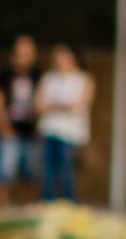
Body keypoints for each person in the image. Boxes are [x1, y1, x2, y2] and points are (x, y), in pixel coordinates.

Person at [35, 44, 93, 203]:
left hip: (70, 135)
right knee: (47, 175)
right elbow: (39, 105)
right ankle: (47, 206)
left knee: (66, 175)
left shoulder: (83, 79)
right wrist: (63, 105)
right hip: (48, 132)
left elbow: (79, 105)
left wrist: (53, 105)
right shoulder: (49, 78)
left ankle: (70, 206)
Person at [0, 36, 41, 206]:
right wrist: (4, 126)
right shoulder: (5, 74)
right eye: (21, 53)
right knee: (5, 174)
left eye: (28, 53)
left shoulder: (37, 74)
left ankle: (27, 210)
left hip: (31, 132)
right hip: (10, 130)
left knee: (29, 175)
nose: (25, 57)